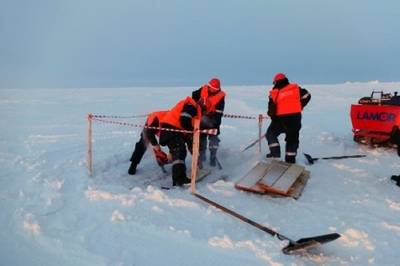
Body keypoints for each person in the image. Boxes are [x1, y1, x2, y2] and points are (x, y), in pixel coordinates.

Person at [265, 73, 311, 164]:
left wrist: (273, 116)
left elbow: (271, 110)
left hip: (280, 120)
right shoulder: (295, 89)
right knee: (292, 138)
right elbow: (307, 95)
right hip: (295, 118)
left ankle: (275, 154)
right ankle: (290, 160)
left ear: (276, 82)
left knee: (270, 134)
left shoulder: (274, 92)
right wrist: (299, 105)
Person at [159, 96, 202, 186]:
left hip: (173, 130)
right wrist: (191, 130)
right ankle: (179, 179)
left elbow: (187, 133)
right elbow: (184, 119)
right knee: (179, 151)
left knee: (180, 151)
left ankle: (179, 178)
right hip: (171, 129)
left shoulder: (191, 106)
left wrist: (195, 152)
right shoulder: (191, 105)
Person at [192, 78, 226, 168]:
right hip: (202, 121)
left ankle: (213, 157)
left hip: (213, 121)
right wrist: (197, 106)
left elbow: (219, 114)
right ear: (209, 86)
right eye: (212, 88)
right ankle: (202, 158)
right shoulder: (202, 90)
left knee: (214, 141)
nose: (213, 91)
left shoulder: (220, 98)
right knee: (202, 139)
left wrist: (214, 125)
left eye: (216, 89)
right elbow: (193, 96)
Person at [128, 111, 169, 175]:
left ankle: (166, 161)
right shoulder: (154, 123)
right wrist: (156, 146)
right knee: (143, 143)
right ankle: (133, 164)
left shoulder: (173, 124)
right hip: (151, 122)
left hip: (162, 126)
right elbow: (149, 133)